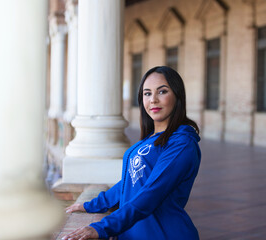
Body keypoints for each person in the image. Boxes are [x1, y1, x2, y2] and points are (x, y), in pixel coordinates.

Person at [62, 66, 201, 240]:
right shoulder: (152, 138)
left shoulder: (181, 144)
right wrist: (93, 205)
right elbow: (131, 181)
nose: (153, 100)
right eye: (147, 93)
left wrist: (103, 227)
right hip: (134, 232)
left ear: (177, 96)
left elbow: (151, 192)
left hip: (164, 233)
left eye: (162, 92)